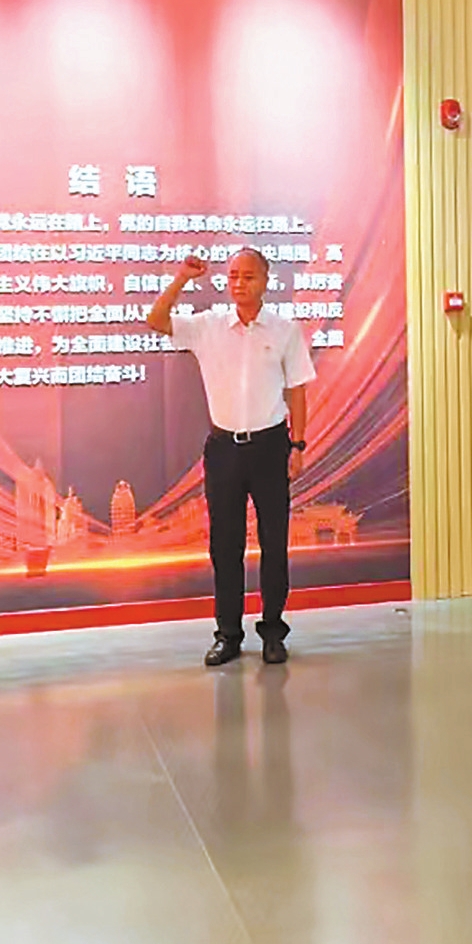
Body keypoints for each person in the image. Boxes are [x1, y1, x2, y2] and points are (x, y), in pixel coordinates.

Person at [148, 248, 315, 667]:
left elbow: (297, 391)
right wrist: (182, 278)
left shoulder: (284, 330)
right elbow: (156, 320)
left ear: (266, 281)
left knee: (274, 543)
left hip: (271, 447)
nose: (240, 284)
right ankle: (228, 634)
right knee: (225, 546)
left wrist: (298, 445)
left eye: (249, 277)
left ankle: (273, 631)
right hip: (224, 449)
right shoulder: (208, 327)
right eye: (234, 276)